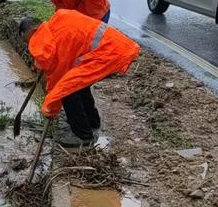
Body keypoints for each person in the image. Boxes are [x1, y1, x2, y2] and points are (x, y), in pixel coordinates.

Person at [19, 10, 140, 147]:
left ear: (36, 30)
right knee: (79, 84)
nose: (34, 45)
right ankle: (92, 122)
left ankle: (83, 136)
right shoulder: (58, 22)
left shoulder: (57, 41)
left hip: (108, 53)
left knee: (68, 90)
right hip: (113, 47)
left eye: (32, 41)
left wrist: (49, 108)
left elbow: (58, 84)